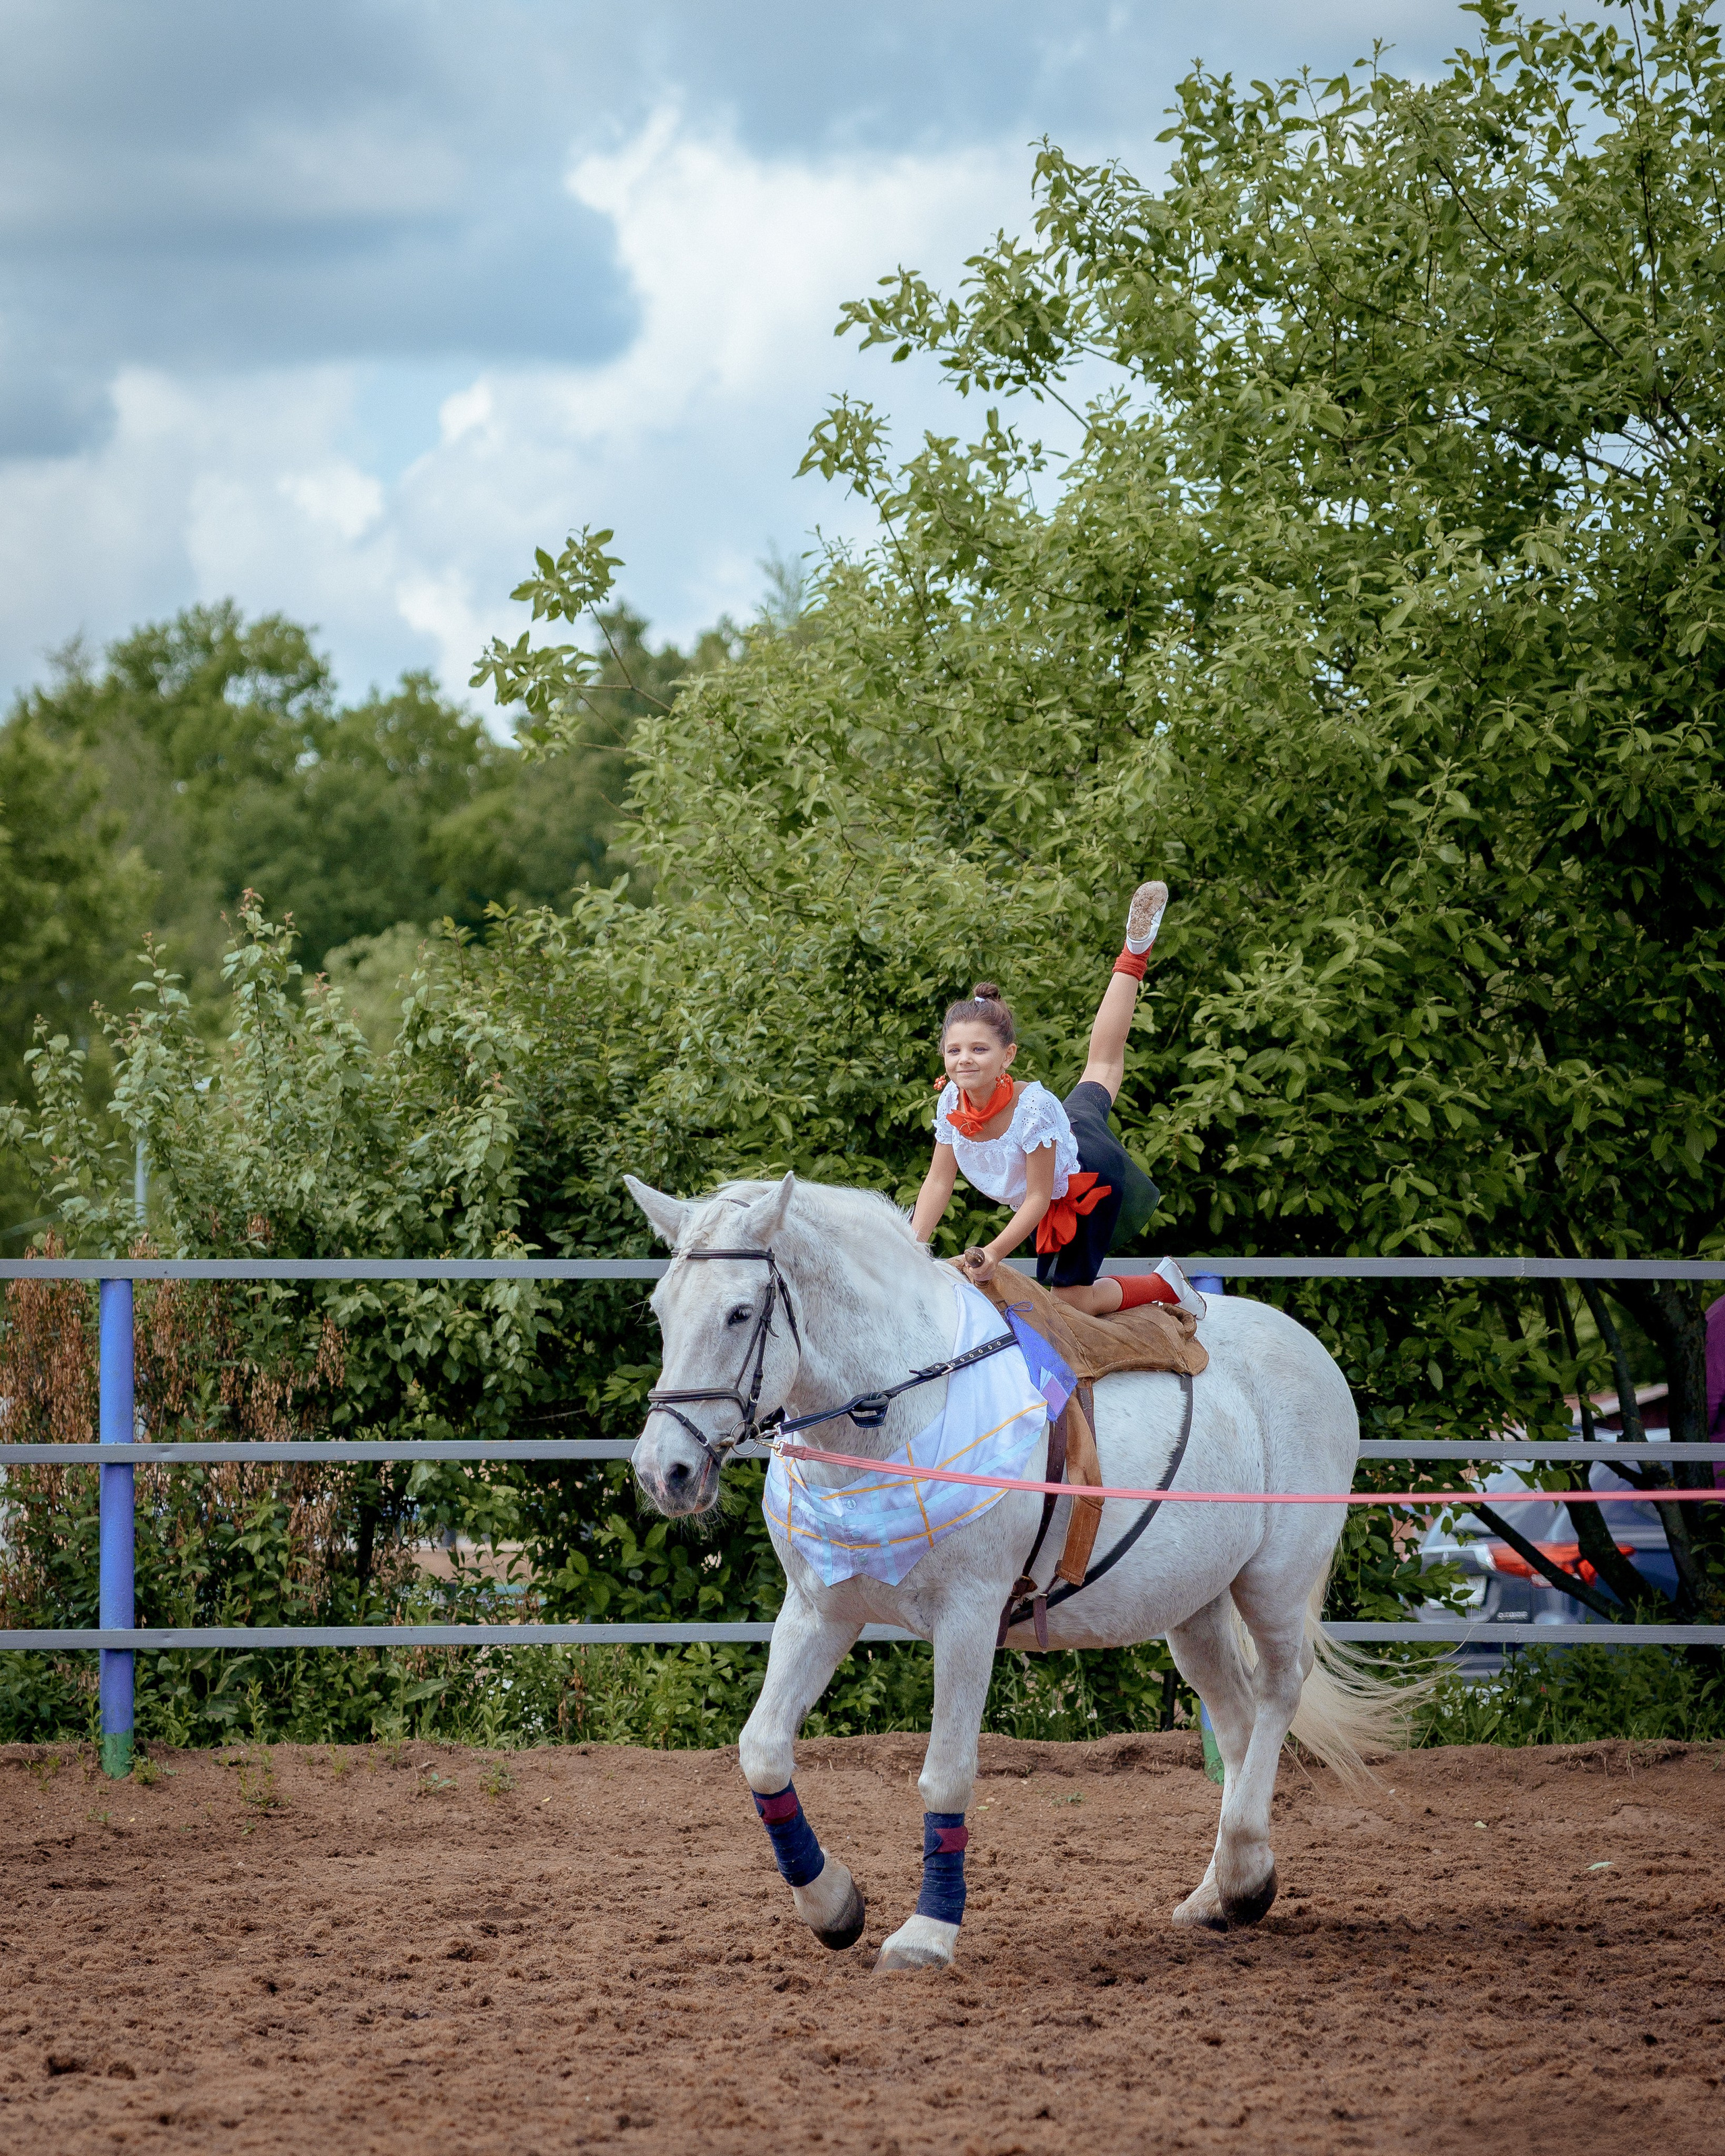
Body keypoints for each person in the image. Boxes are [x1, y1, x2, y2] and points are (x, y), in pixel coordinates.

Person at [910, 881, 1205, 1319]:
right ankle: (1135, 951)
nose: (964, 1059)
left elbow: (1038, 1196)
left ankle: (1166, 1284)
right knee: (1102, 1067)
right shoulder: (952, 1100)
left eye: (979, 1049)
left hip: (1084, 1176)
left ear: (1007, 1056)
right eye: (954, 1050)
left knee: (1072, 1303)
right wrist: (911, 1250)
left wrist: (994, 1253)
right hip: (1069, 1128)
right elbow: (938, 1181)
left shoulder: (1034, 1110)